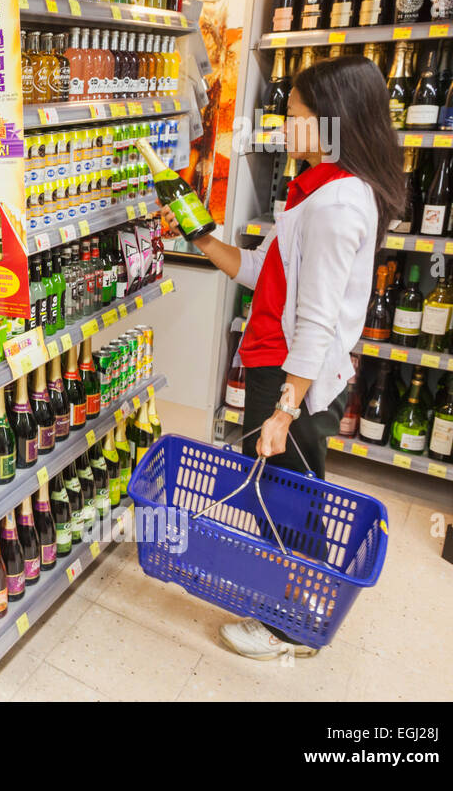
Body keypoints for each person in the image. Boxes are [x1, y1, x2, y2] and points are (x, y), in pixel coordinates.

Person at [158, 55, 403, 660]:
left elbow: (318, 322)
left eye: (292, 115)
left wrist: (284, 410)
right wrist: (201, 237)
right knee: (288, 493)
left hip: (297, 378)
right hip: (278, 367)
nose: (280, 126)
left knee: (289, 502)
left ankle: (290, 623)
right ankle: (292, 604)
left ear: (332, 121)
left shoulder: (336, 205)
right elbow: (260, 271)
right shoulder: (313, 192)